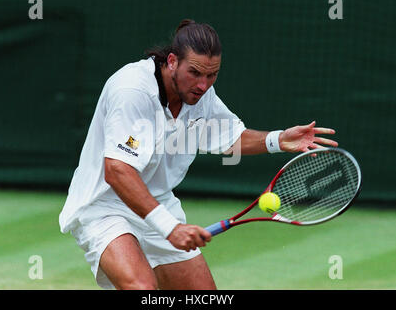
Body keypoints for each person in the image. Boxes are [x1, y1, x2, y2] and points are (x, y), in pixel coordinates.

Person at [59, 19, 338, 290]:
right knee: (141, 287)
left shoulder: (201, 95)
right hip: (105, 207)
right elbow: (117, 170)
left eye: (211, 75)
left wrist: (278, 139)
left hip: (158, 204)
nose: (203, 85)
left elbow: (230, 138)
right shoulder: (132, 89)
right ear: (171, 61)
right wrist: (170, 228)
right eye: (194, 72)